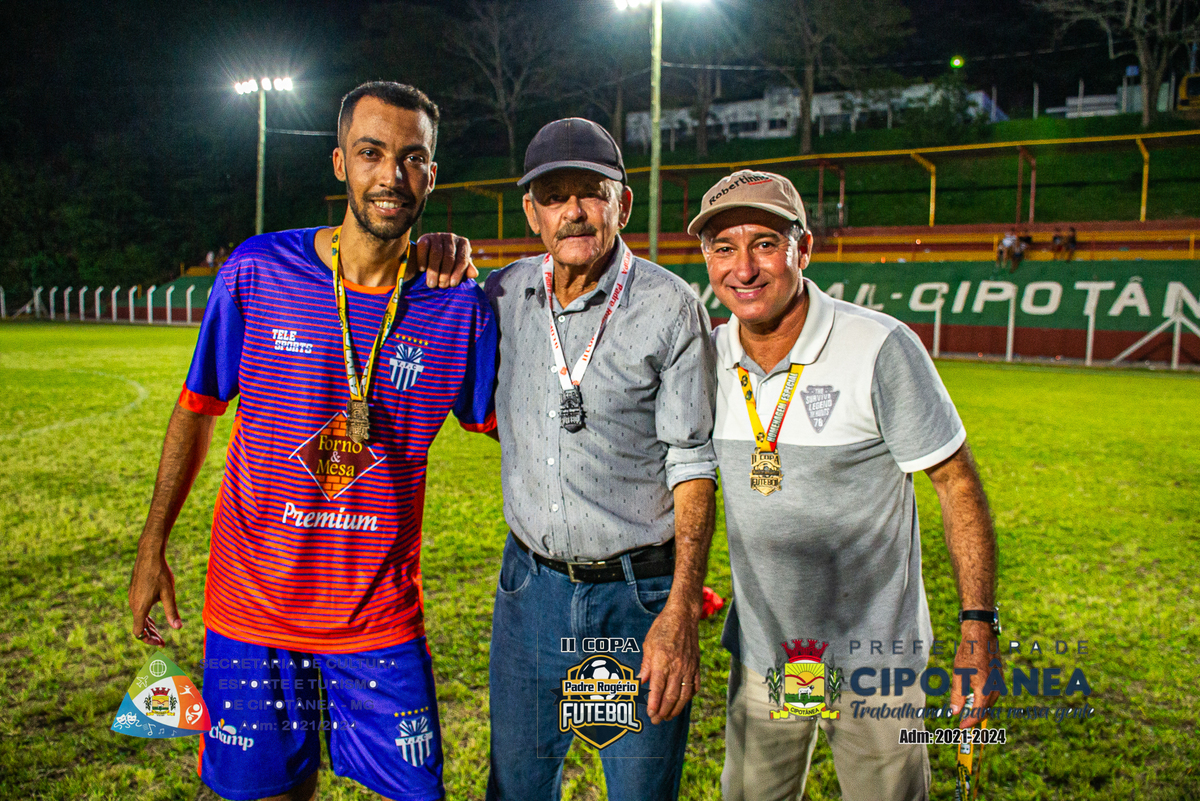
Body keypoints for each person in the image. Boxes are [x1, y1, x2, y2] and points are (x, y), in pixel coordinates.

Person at [127, 81, 494, 801]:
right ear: (340, 163)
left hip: (377, 620)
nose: (392, 175)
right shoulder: (258, 270)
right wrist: (151, 546)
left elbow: (516, 427)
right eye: (372, 153)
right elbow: (195, 410)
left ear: (432, 175)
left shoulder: (457, 304)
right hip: (250, 613)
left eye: (413, 158)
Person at [687, 170, 1000, 801]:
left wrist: (978, 627)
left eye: (765, 244)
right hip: (767, 657)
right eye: (724, 248)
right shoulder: (707, 355)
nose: (743, 268)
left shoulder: (880, 346)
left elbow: (956, 484)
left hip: (874, 665)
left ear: (803, 248)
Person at [480, 118, 718, 801]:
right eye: (554, 196)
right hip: (530, 590)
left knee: (640, 792)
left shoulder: (670, 308)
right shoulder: (501, 297)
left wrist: (680, 608)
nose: (574, 211)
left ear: (623, 203)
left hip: (637, 598)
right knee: (517, 788)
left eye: (591, 192)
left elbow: (693, 464)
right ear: (532, 213)